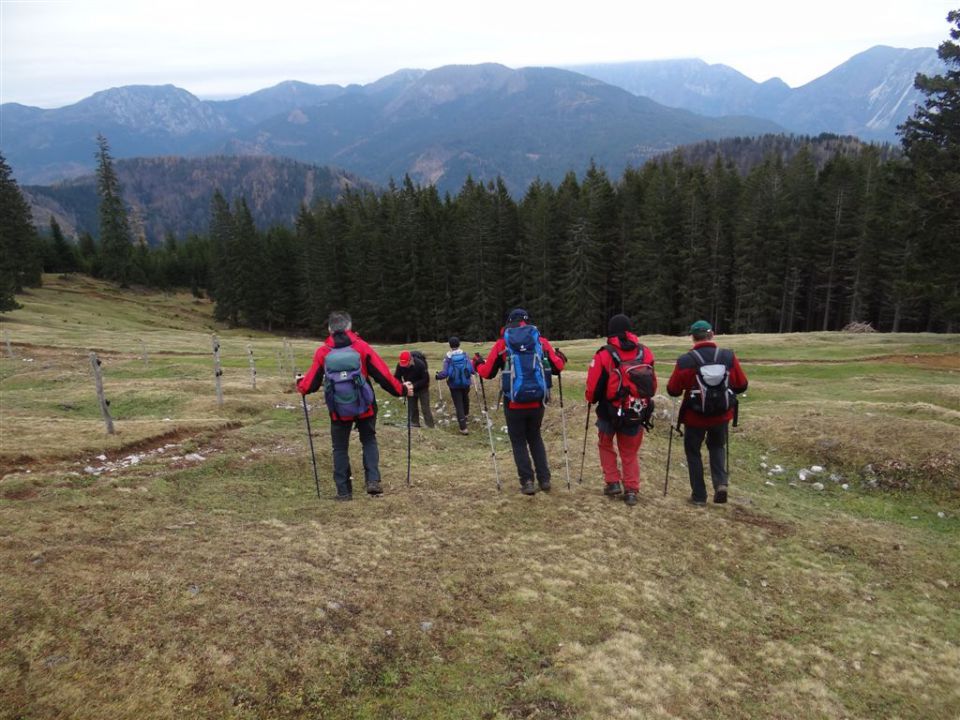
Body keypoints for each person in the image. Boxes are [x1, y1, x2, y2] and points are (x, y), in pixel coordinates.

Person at [296, 310, 414, 501]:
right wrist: (402, 390)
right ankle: (373, 481)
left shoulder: (323, 352)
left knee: (340, 449)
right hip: (365, 405)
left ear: (329, 329)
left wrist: (300, 384)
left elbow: (310, 385)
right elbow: (383, 376)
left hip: (338, 410)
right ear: (350, 326)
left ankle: (344, 492)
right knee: (368, 440)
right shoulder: (362, 347)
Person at [474, 308, 566, 495]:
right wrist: (560, 356)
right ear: (527, 322)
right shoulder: (540, 341)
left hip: (514, 402)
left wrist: (477, 364)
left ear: (509, 323)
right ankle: (545, 479)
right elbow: (558, 367)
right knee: (535, 437)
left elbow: (487, 372)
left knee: (518, 441)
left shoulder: (503, 344)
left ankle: (527, 482)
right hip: (538, 401)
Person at [667, 319, 748, 506]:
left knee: (693, 452)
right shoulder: (728, 356)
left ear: (692, 338)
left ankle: (698, 496)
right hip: (721, 415)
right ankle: (721, 484)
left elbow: (673, 390)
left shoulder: (686, 360)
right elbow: (741, 384)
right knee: (717, 447)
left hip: (694, 416)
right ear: (712, 335)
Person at [585, 314, 657, 507]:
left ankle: (613, 482)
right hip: (636, 410)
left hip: (609, 411)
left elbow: (592, 388)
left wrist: (591, 399)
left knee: (605, 444)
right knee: (629, 451)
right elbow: (653, 385)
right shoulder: (645, 353)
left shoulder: (604, 354)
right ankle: (632, 490)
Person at [435, 336, 475, 434]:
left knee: (458, 404)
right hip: (466, 383)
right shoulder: (465, 354)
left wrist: (438, 376)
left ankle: (463, 428)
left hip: (454, 384)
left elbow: (445, 373)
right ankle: (465, 416)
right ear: (459, 344)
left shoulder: (448, 357)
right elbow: (471, 369)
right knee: (465, 398)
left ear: (450, 345)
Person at [394, 350, 434, 429]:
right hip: (409, 388)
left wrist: (414, 385)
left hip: (423, 388)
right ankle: (415, 423)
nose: (404, 366)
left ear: (411, 360)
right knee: (412, 407)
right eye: (403, 364)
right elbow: (396, 377)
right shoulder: (400, 365)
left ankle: (430, 426)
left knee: (425, 408)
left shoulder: (420, 364)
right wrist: (403, 385)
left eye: (406, 364)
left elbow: (426, 379)